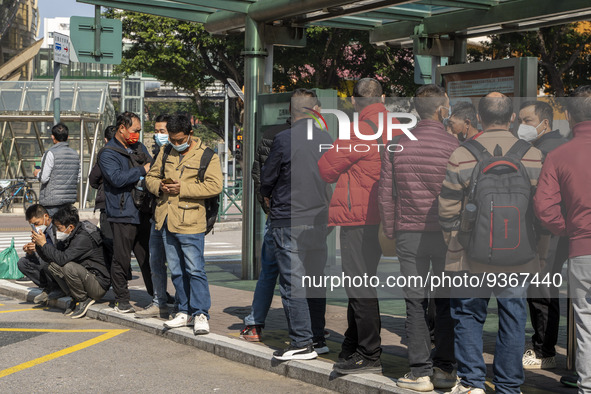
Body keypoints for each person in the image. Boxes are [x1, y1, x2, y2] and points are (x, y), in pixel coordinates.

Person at [438, 93, 543, 394]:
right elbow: (540, 208)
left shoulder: (462, 153)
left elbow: (447, 207)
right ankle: (509, 385)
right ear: (511, 118)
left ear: (480, 119)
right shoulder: (532, 155)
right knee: (513, 316)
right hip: (519, 254)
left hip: (470, 255)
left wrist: (455, 241)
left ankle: (471, 383)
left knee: (468, 315)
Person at [379, 84, 459, 390]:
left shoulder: (397, 145)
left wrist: (390, 230)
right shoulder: (455, 146)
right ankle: (445, 369)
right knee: (446, 301)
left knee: (414, 302)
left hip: (408, 234)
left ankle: (419, 372)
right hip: (445, 235)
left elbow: (386, 195)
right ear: (441, 110)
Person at [317, 78, 387, 374]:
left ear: (357, 102)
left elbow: (326, 167)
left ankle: (369, 352)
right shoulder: (396, 126)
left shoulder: (361, 130)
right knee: (365, 282)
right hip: (388, 217)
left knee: (359, 285)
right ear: (382, 98)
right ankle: (352, 343)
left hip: (359, 217)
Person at [260, 88, 332, 361]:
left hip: (289, 218)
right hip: (318, 219)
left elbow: (268, 178)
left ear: (292, 111)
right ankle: (317, 337)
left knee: (293, 283)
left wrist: (269, 197)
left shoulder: (283, 139)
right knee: (315, 279)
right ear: (316, 112)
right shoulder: (325, 138)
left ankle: (301, 342)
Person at [533, 85, 591, 392]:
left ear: (567, 116)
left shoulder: (558, 155)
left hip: (582, 248)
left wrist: (566, 229)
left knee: (586, 323)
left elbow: (544, 207)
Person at [146, 114, 223, 334]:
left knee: (195, 269)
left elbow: (214, 186)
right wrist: (160, 186)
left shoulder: (207, 155)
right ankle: (184, 311)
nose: (176, 144)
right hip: (166, 219)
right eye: (173, 139)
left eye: (180, 140)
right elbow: (150, 177)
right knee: (177, 270)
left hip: (191, 221)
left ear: (190, 134)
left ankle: (200, 313)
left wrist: (183, 189)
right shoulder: (165, 151)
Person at [517, 100, 569, 370]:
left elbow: (540, 199)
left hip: (547, 232)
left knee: (541, 290)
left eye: (526, 121)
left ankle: (543, 350)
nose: (521, 127)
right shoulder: (564, 145)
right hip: (566, 230)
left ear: (544, 123)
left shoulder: (541, 152)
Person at [240, 119, 291, 341]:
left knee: (270, 272)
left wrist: (268, 205)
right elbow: (261, 173)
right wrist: (268, 205)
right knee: (297, 275)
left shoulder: (274, 133)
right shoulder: (314, 135)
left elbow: (260, 174)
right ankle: (310, 329)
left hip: (279, 213)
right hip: (292, 214)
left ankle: (255, 324)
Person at [98, 111, 153, 313]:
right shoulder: (108, 153)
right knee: (121, 258)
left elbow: (152, 165)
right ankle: (122, 299)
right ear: (122, 128)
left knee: (148, 257)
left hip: (143, 210)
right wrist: (141, 170)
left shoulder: (138, 147)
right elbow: (117, 178)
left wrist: (147, 168)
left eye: (139, 130)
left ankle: (157, 295)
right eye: (134, 130)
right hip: (122, 212)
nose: (137, 134)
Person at [31, 205, 110, 319]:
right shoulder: (70, 235)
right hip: (85, 277)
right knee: (51, 265)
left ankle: (82, 299)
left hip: (98, 284)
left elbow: (63, 259)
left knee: (68, 267)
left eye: (59, 228)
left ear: (71, 227)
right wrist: (39, 245)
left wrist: (44, 244)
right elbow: (52, 257)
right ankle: (74, 296)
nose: (57, 231)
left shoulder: (83, 237)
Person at [135, 114, 174, 319]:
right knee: (155, 262)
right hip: (156, 215)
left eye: (162, 131)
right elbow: (151, 180)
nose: (158, 135)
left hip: (176, 216)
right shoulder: (157, 152)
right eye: (156, 131)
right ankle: (159, 301)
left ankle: (188, 307)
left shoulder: (178, 153)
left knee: (180, 265)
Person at [18, 204, 63, 303]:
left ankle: (59, 287)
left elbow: (60, 252)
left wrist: (41, 247)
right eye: (32, 224)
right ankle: (48, 287)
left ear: (46, 217)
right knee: (23, 263)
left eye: (37, 223)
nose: (36, 227)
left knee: (45, 260)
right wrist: (31, 252)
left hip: (57, 263)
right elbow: (37, 255)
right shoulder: (37, 231)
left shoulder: (57, 227)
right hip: (46, 263)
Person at [34, 123, 80, 216]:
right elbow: (77, 178)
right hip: (68, 201)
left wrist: (37, 174)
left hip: (52, 202)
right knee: (65, 228)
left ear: (52, 137)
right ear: (68, 137)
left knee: (52, 229)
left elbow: (44, 178)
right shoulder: (75, 154)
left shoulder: (50, 153)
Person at [89, 125, 117, 272]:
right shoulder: (128, 150)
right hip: (126, 205)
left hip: (107, 202)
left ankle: (112, 273)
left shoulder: (105, 153)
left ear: (106, 139)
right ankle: (124, 273)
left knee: (108, 239)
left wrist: (100, 184)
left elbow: (93, 178)